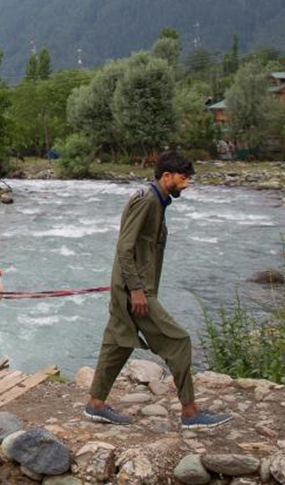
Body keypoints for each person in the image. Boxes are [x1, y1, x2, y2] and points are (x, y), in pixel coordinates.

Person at [85, 150, 233, 429]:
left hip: (129, 287)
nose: (187, 183)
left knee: (116, 344)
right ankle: (190, 413)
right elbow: (124, 247)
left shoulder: (157, 200)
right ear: (166, 176)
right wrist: (137, 290)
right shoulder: (148, 201)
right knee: (179, 341)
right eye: (183, 177)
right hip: (136, 292)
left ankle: (95, 404)